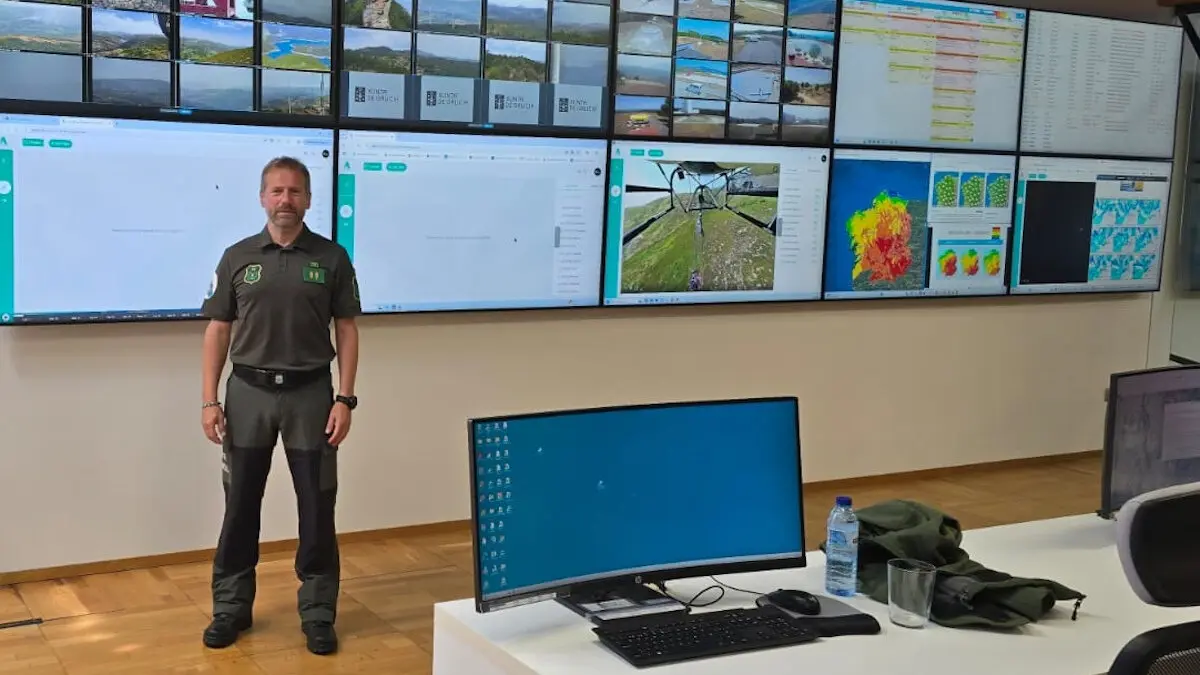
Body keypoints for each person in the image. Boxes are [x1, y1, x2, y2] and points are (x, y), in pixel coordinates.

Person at [198, 156, 361, 656]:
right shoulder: (237, 257)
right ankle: (231, 608)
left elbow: (347, 329)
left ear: (308, 199)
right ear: (262, 198)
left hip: (311, 394)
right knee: (241, 503)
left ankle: (317, 612)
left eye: (294, 192)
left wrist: (345, 398)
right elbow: (218, 329)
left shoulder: (332, 258)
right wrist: (210, 399)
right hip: (247, 393)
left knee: (317, 505)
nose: (285, 200)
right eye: (276, 191)